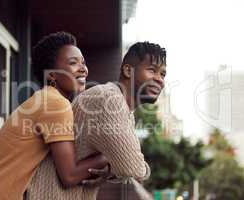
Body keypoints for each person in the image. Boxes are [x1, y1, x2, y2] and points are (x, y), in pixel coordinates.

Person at [0, 32, 109, 200]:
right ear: (51, 74)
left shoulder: (47, 100)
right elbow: (69, 175)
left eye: (83, 63)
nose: (83, 69)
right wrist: (109, 155)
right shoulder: (55, 103)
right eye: (73, 63)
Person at [26, 41, 167, 199]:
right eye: (152, 70)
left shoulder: (121, 107)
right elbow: (133, 169)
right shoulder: (109, 99)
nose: (159, 79)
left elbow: (125, 163)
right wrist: (111, 160)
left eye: (162, 74)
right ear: (128, 70)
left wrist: (111, 164)